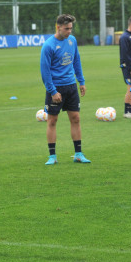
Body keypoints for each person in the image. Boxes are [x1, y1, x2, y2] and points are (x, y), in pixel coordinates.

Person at [40, 14, 90, 165]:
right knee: (52, 121)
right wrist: (53, 91)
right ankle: (52, 156)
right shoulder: (48, 46)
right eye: (67, 29)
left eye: (71, 28)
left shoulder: (72, 40)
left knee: (76, 118)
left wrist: (81, 81)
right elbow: (45, 71)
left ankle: (78, 154)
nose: (69, 31)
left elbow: (76, 60)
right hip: (56, 88)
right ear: (58, 27)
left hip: (71, 86)